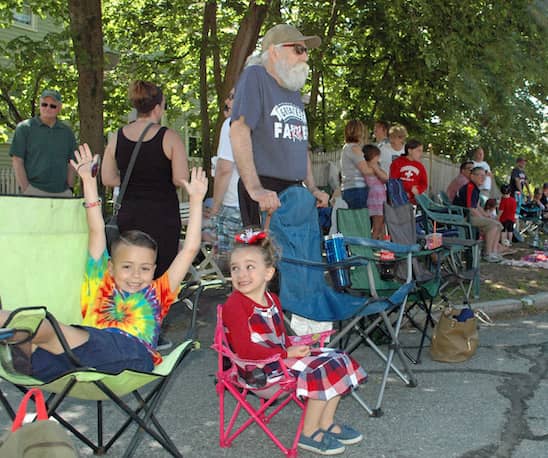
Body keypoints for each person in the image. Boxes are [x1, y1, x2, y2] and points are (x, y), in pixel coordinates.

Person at [0, 144, 207, 383]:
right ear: (110, 267)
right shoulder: (100, 280)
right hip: (78, 360)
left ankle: (20, 340)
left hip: (133, 356)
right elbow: (96, 229)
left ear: (154, 270)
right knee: (39, 336)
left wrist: (196, 201)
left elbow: (190, 249)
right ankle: (23, 348)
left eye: (145, 268)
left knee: (43, 325)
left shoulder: (158, 292)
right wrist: (88, 180)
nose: (136, 275)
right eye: (127, 267)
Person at [222, 229, 366, 455]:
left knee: (338, 357)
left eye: (250, 266)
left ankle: (325, 422)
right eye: (235, 268)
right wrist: (286, 354)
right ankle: (308, 434)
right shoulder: (235, 305)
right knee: (321, 369)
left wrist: (300, 343)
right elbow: (244, 349)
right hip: (257, 373)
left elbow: (279, 340)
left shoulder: (272, 300)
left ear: (268, 273)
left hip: (278, 363)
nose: (241, 274)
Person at [230, 23, 329, 227]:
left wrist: (312, 188)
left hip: (295, 192)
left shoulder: (293, 90)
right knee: (266, 258)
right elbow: (239, 131)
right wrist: (255, 189)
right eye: (298, 49)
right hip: (266, 190)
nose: (305, 57)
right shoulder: (255, 76)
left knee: (296, 258)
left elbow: (300, 145)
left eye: (306, 51)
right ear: (274, 52)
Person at [102, 81, 189, 278]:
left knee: (130, 271)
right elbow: (180, 179)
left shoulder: (117, 136)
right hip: (162, 215)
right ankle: (156, 309)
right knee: (160, 274)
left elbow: (107, 178)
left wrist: (130, 179)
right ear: (157, 108)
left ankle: (129, 308)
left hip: (129, 213)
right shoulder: (170, 137)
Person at [10, 89, 77, 197]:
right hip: (33, 190)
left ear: (59, 108)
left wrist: (69, 189)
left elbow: (72, 163)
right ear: (39, 105)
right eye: (44, 104)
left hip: (62, 193)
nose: (47, 108)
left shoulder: (67, 132)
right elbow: (17, 160)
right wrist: (26, 189)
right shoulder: (24, 128)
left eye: (52, 106)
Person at [210, 88, 242, 271]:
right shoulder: (263, 124)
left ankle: (239, 299)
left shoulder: (231, 124)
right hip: (257, 205)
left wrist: (215, 206)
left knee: (234, 265)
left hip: (233, 204)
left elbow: (224, 168)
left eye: (231, 97)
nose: (228, 102)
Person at [453, 166, 503, 263]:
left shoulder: (475, 188)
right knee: (492, 225)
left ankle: (494, 252)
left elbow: (477, 206)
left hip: (468, 215)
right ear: (472, 176)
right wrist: (484, 219)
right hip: (463, 217)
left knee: (498, 225)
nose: (483, 178)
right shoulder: (470, 187)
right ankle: (487, 253)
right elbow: (470, 208)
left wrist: (486, 215)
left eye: (484, 176)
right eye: (480, 175)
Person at [339, 120, 369, 209]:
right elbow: (365, 170)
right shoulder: (354, 148)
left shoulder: (346, 147)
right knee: (360, 220)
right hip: (357, 189)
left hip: (348, 189)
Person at [389, 139, 428, 205]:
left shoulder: (420, 166)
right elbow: (394, 181)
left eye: (421, 151)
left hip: (413, 201)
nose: (421, 154)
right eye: (418, 151)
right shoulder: (397, 163)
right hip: (398, 200)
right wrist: (406, 191)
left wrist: (418, 190)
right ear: (409, 151)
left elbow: (424, 183)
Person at [363, 144, 388, 239]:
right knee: (377, 224)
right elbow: (384, 177)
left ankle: (380, 242)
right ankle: (373, 242)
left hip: (377, 197)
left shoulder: (372, 167)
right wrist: (376, 167)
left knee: (380, 224)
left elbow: (385, 178)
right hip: (375, 198)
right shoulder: (370, 167)